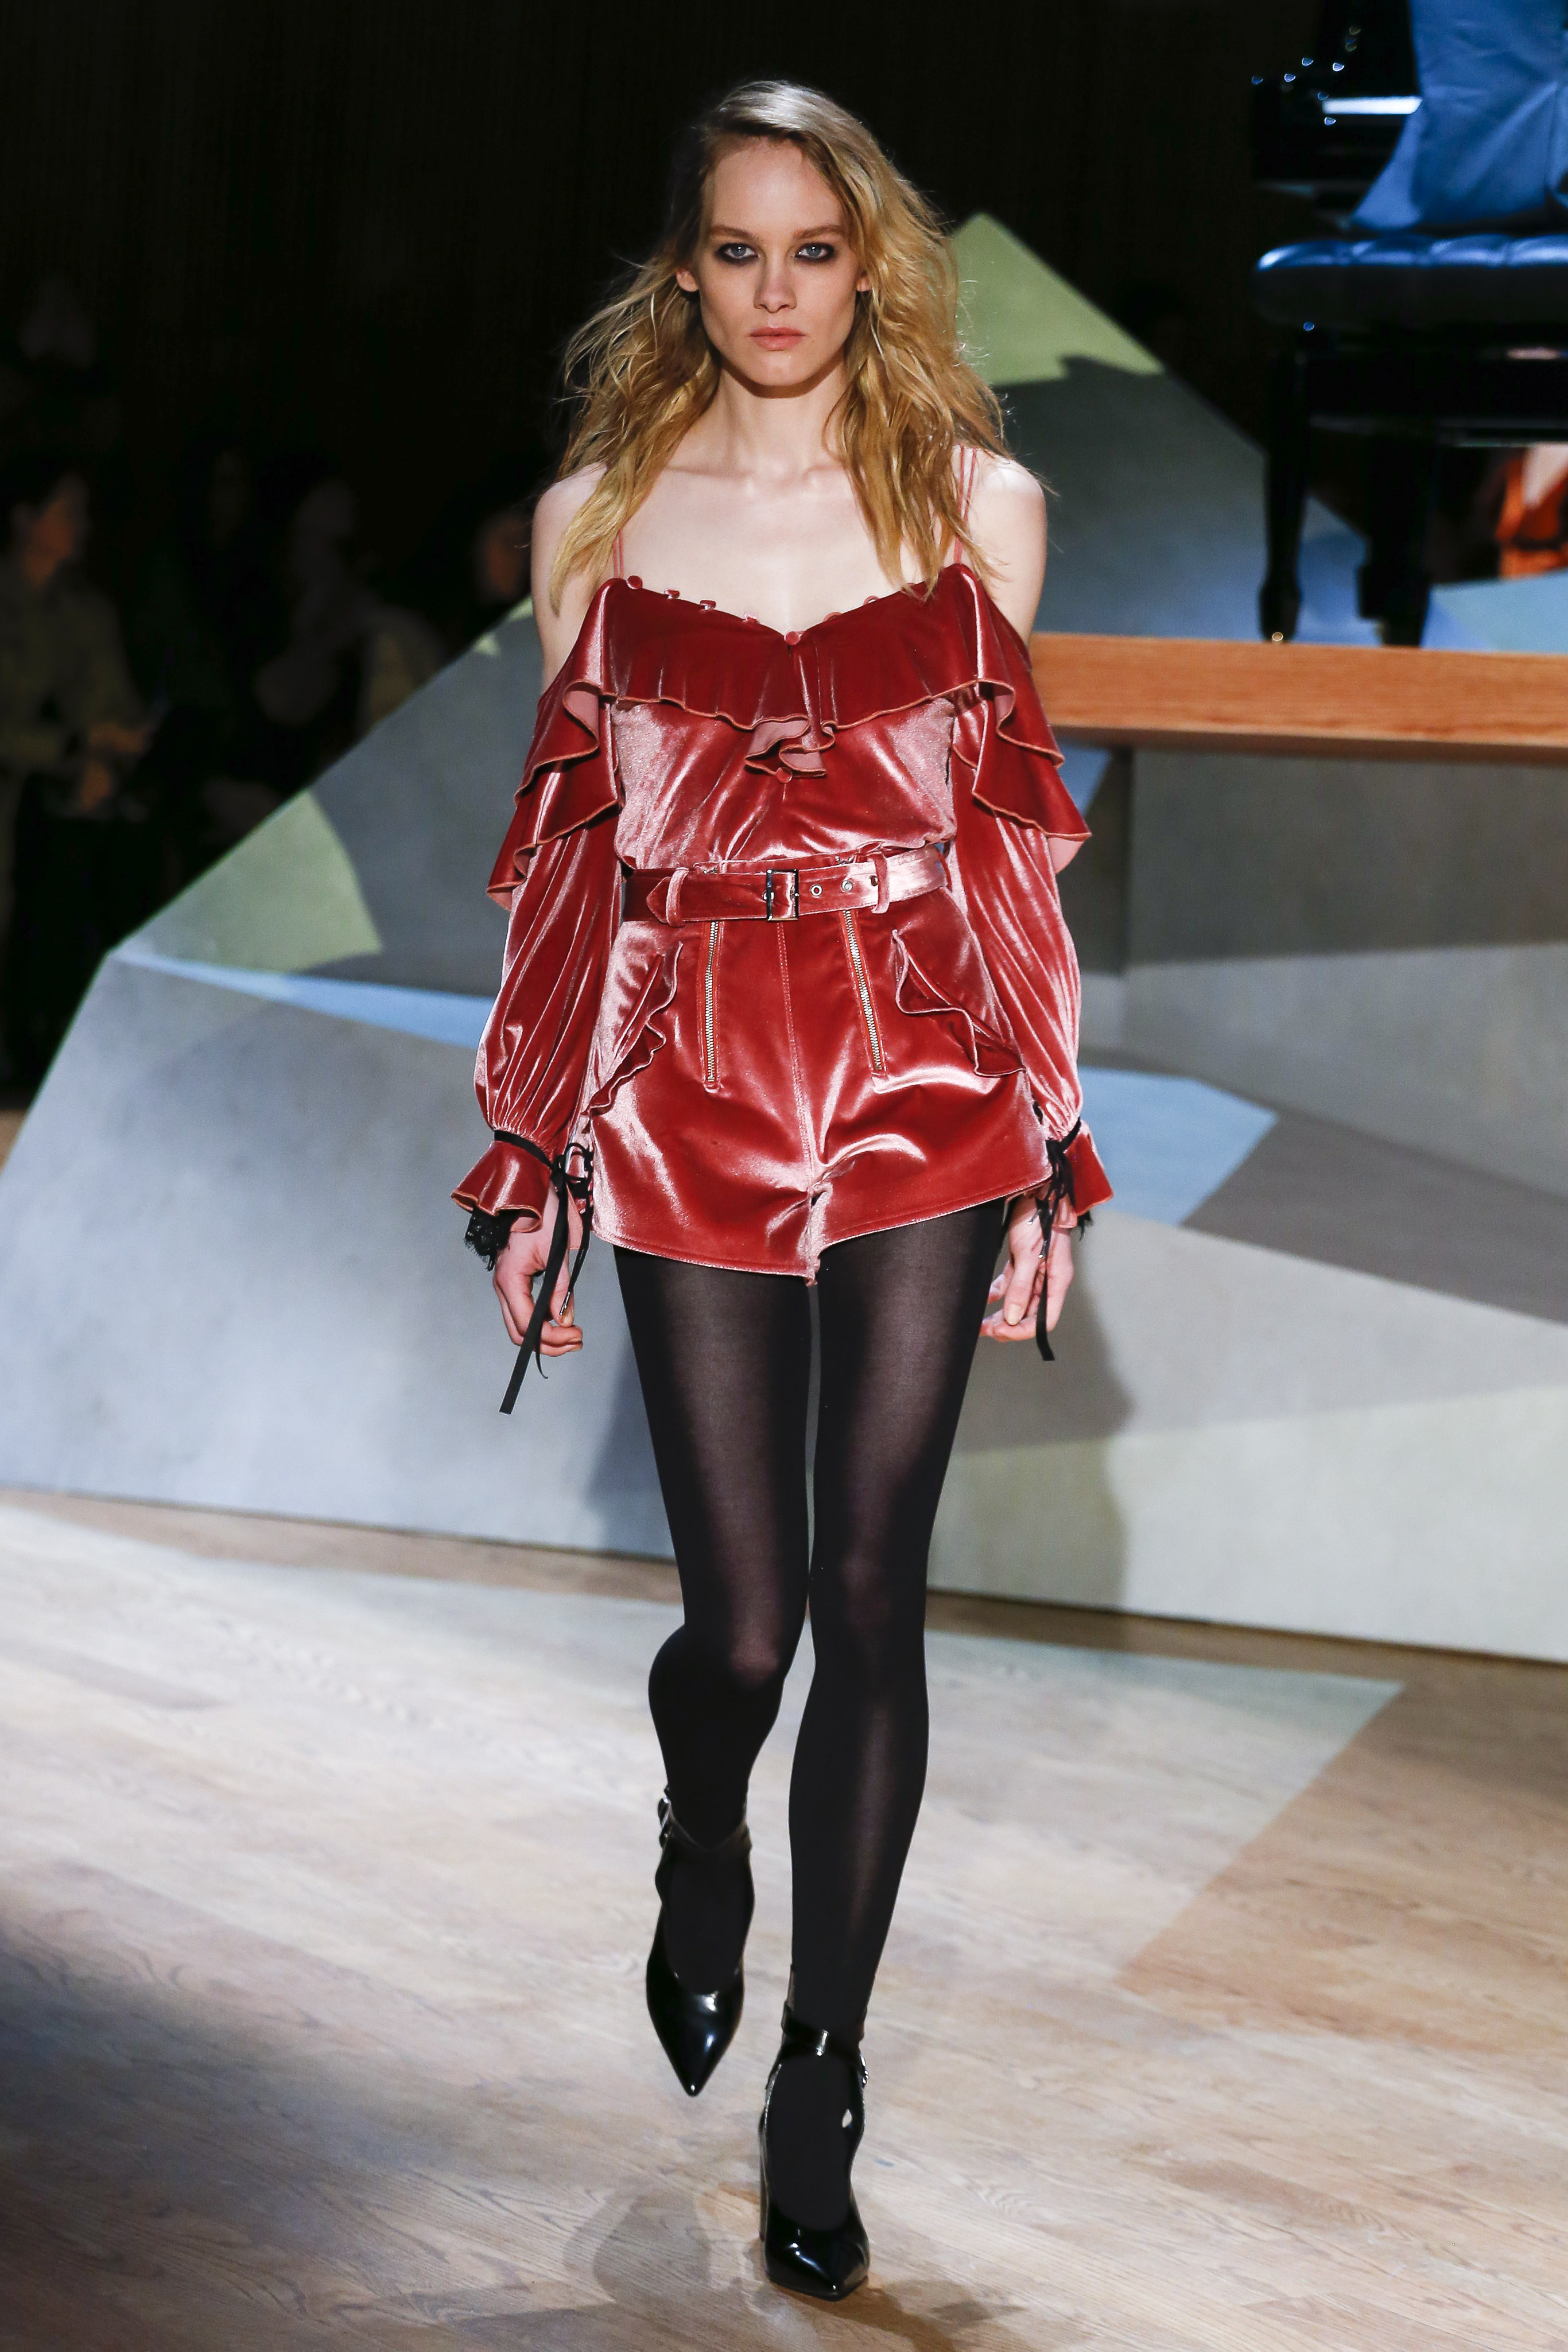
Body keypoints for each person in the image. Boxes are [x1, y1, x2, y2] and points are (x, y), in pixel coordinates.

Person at [453, 82, 1111, 2303]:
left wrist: (1052, 1144)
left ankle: (819, 2077)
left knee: (869, 1584)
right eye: (736, 249)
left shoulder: (977, 507)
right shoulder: (596, 518)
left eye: (814, 250)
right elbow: (570, 876)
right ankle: (701, 1832)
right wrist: (532, 1152)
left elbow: (1007, 857)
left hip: (925, 1064)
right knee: (739, 1625)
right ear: (685, 270)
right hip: (695, 1074)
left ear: (871, 264)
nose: (775, 289)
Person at [0, 451, 154, 1082]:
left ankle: (57, 1045)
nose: (81, 526)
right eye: (67, 512)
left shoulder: (86, 612)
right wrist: (69, 747)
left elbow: (113, 703)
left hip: (65, 810)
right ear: (25, 518)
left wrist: (103, 753)